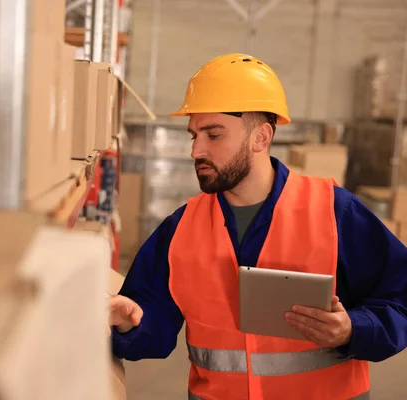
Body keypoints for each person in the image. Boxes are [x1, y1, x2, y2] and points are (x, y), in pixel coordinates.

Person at [109, 53, 407, 400]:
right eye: (194, 135)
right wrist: (130, 321)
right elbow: (153, 325)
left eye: (214, 135)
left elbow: (399, 296)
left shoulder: (334, 212)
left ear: (261, 137)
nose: (196, 150)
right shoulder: (179, 229)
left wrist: (352, 329)